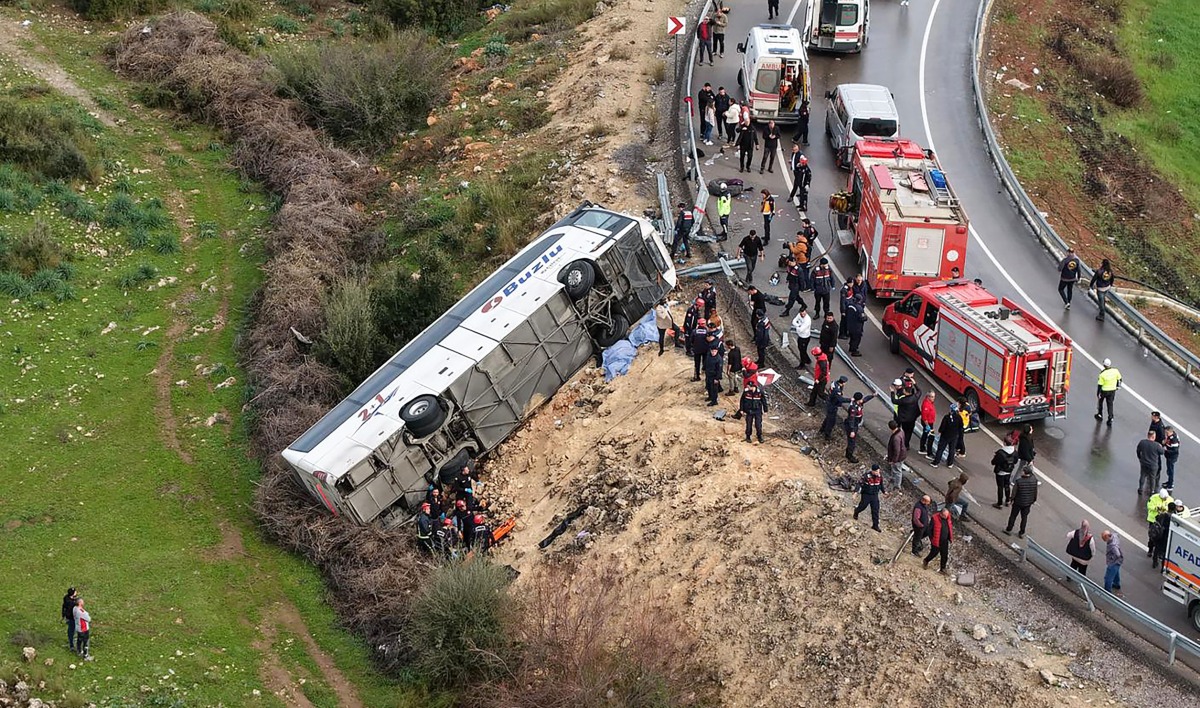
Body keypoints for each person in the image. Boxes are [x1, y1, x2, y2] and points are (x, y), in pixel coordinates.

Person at [1004, 467, 1038, 538]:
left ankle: (1009, 529)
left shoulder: (1019, 481)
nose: (1021, 472)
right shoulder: (1034, 480)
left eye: (1023, 471)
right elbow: (1035, 492)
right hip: (1028, 503)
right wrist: (1034, 500)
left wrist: (1011, 500)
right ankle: (1021, 532)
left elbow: (1014, 493)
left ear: (1025, 473)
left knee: (1013, 516)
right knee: (1024, 518)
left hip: (1018, 502)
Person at [844, 391, 876, 463]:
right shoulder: (853, 408)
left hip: (856, 423)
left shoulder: (859, 403)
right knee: (852, 442)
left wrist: (872, 396)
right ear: (858, 400)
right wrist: (852, 430)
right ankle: (849, 455)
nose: (862, 400)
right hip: (852, 425)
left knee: (853, 441)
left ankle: (849, 453)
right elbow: (851, 420)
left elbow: (865, 399)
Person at [853, 464, 886, 531]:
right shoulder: (866, 476)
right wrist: (856, 492)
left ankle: (875, 525)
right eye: (876, 471)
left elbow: (881, 485)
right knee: (862, 506)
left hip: (874, 495)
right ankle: (856, 511)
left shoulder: (879, 476)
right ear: (872, 471)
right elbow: (859, 483)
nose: (877, 473)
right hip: (866, 494)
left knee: (875, 510)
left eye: (878, 471)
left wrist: (884, 492)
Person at [931, 404, 963, 469]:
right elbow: (961, 427)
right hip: (954, 436)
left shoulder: (947, 417)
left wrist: (939, 432)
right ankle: (950, 463)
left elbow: (942, 427)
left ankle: (936, 462)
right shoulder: (959, 417)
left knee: (940, 449)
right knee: (952, 450)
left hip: (945, 436)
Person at [923, 507, 953, 574]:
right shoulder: (934, 518)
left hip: (945, 541)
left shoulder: (948, 518)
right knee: (933, 553)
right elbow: (929, 530)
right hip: (936, 540)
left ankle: (943, 568)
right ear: (941, 514)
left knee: (944, 555)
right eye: (945, 516)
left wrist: (950, 537)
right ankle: (926, 560)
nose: (946, 517)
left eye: (947, 515)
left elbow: (949, 527)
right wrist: (932, 539)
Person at [820, 375, 850, 439]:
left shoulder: (834, 383)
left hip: (830, 402)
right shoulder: (837, 390)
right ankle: (827, 435)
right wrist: (850, 400)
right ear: (843, 382)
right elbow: (841, 399)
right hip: (832, 405)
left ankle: (822, 429)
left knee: (828, 418)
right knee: (831, 421)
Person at [1136, 430, 1164, 496]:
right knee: (1152, 478)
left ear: (1148, 436)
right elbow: (1162, 452)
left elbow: (1138, 450)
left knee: (1142, 476)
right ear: (1153, 437)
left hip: (1144, 462)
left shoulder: (1142, 442)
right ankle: (1152, 491)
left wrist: (1140, 458)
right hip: (1153, 464)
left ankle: (1140, 489)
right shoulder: (1157, 445)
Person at [740, 377, 768, 443]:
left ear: (752, 386)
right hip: (749, 410)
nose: (747, 387)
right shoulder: (746, 391)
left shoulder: (759, 392)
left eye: (748, 386)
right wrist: (741, 409)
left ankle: (759, 436)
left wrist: (765, 410)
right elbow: (742, 400)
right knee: (749, 424)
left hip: (757, 411)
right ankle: (748, 437)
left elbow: (764, 401)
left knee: (758, 424)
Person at [1094, 357, 1122, 424]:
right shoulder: (1116, 371)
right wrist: (1117, 386)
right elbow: (1120, 379)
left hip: (1104, 391)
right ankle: (1110, 418)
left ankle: (1100, 414)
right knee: (1110, 404)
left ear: (1104, 365)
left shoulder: (1102, 374)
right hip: (1112, 390)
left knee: (1100, 402)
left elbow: (1100, 385)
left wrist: (1098, 393)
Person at [1146, 488, 1174, 553]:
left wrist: (1164, 509)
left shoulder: (1170, 499)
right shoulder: (1154, 498)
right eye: (1164, 498)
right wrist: (1156, 508)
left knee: (1162, 537)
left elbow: (1171, 508)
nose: (1165, 499)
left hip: (1163, 521)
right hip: (1153, 520)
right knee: (1153, 536)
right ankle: (1150, 549)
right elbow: (1149, 506)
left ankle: (1158, 551)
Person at [990, 443, 1017, 508]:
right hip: (1009, 471)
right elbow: (1015, 461)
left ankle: (999, 503)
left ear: (1004, 443)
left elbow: (993, 462)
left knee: (1000, 487)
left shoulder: (1000, 453)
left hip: (1000, 472)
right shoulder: (1015, 452)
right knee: (1007, 485)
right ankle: (1007, 500)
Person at [1089, 258, 1115, 322]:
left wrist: (1091, 285)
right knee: (1103, 300)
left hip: (1100, 288)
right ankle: (1102, 309)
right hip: (1107, 287)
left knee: (1101, 301)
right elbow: (1112, 279)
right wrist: (1110, 284)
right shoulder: (1110, 271)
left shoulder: (1099, 271)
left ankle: (1102, 314)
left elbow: (1094, 279)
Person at [886, 419, 907, 489]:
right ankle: (893, 479)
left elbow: (897, 451)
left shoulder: (896, 438)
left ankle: (897, 485)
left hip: (898, 457)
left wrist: (894, 460)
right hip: (902, 454)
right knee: (895, 469)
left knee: (897, 470)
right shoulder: (901, 431)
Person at [789, 304, 812, 369]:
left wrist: (798, 326)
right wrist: (799, 325)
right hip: (800, 336)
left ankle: (802, 364)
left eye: (804, 314)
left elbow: (801, 330)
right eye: (802, 314)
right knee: (801, 349)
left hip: (805, 337)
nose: (802, 315)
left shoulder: (807, 320)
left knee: (802, 351)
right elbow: (794, 321)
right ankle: (807, 360)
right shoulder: (799, 315)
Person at [1101, 530, 1123, 596]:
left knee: (1108, 577)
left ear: (1107, 536)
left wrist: (1111, 559)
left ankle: (1107, 591)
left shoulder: (1112, 545)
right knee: (1116, 572)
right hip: (1119, 561)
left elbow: (1117, 554)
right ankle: (1116, 584)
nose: (1105, 541)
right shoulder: (1114, 536)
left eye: (1105, 539)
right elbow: (1117, 534)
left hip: (1113, 562)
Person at [1162, 426, 1180, 491]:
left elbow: (1174, 450)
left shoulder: (1174, 439)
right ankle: (1169, 482)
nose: (1166, 434)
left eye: (1167, 432)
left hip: (1171, 457)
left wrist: (1165, 450)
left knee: (1170, 471)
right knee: (1169, 470)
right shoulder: (1170, 436)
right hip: (1169, 456)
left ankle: (1170, 485)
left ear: (1170, 431)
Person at [61, 587, 78, 652]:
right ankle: (72, 646)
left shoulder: (66, 598)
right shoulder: (71, 603)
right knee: (73, 632)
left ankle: (72, 644)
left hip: (69, 618)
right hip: (71, 618)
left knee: (70, 631)